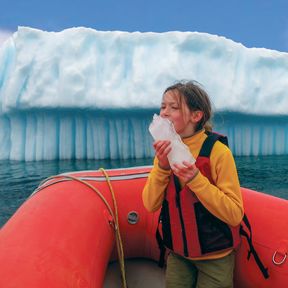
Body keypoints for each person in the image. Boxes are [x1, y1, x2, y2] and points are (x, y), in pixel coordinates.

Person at [142, 80, 244, 288]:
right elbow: (150, 204)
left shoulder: (218, 153)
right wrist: (162, 167)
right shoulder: (165, 152)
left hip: (215, 257)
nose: (164, 113)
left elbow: (234, 214)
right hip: (178, 254)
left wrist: (196, 180)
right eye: (163, 107)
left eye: (174, 107)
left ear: (196, 116)